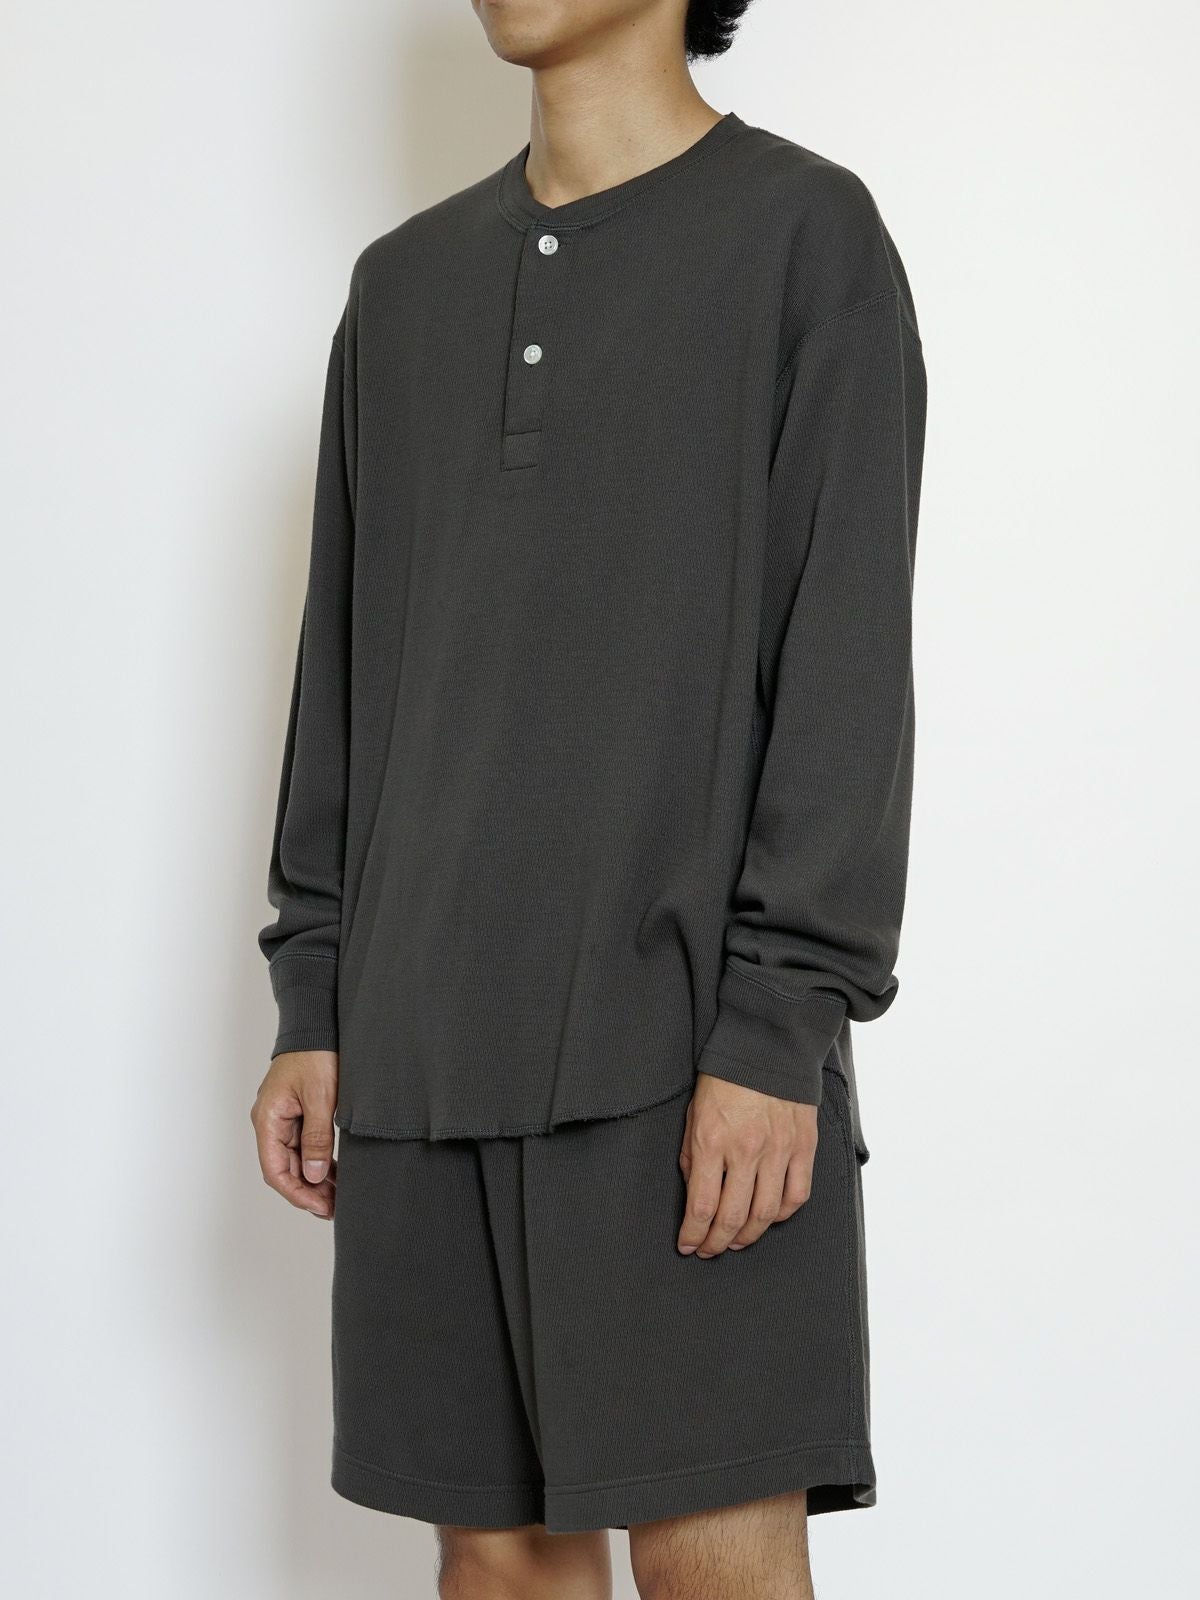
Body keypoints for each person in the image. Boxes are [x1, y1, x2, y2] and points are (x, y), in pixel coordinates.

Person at [252, 0, 926, 1594]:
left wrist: (779, 1025)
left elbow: (844, 667)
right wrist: (315, 996)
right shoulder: (401, 289)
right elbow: (345, 672)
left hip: (683, 1053)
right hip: (420, 1051)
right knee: (498, 1568)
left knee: (714, 1561)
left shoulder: (805, 240)